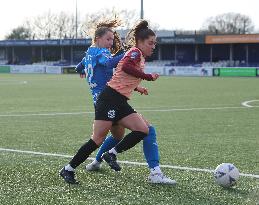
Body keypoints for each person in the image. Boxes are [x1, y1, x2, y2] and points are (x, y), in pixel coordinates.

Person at [60, 20, 176, 185]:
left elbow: (86, 68)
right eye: (150, 43)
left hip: (117, 99)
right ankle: (69, 168)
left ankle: (109, 155)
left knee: (138, 131)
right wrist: (146, 75)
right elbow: (122, 66)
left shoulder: (91, 54)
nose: (153, 46)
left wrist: (84, 71)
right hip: (108, 99)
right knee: (98, 139)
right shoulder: (130, 53)